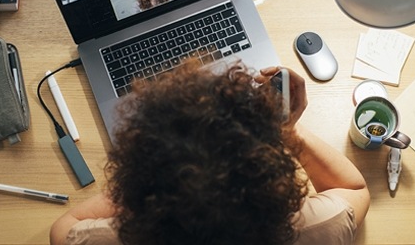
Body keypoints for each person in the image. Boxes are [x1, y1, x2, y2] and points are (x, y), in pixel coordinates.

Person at [50, 62, 370, 245]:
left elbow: (64, 226)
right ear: (274, 186)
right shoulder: (319, 229)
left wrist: (141, 181)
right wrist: (286, 130)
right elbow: (354, 189)